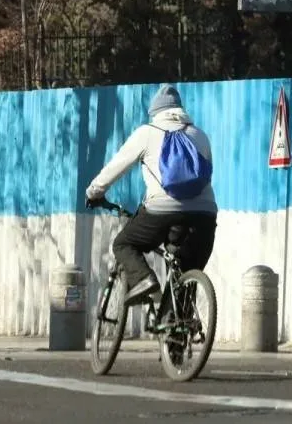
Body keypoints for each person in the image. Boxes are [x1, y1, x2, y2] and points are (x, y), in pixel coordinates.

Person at [85, 85, 218, 306]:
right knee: (186, 272)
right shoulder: (200, 135)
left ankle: (144, 279)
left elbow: (115, 167)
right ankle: (177, 329)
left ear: (155, 112)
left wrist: (94, 192)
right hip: (205, 213)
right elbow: (207, 175)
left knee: (123, 244)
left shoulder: (147, 133)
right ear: (180, 110)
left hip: (162, 211)